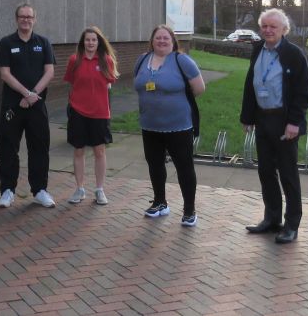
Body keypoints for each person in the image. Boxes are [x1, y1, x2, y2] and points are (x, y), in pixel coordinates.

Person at [240, 8, 308, 244]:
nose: (268, 30)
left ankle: (291, 224)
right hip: (263, 119)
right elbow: (251, 84)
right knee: (265, 172)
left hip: (285, 122)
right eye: (265, 26)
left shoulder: (294, 54)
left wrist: (294, 122)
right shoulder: (257, 50)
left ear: (284, 30)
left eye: (273, 26)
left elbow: (305, 92)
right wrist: (248, 116)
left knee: (288, 174)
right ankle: (272, 219)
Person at [133, 25, 205, 226]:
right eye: (158, 38)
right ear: (152, 40)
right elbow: (138, 85)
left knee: (184, 168)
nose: (162, 41)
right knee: (155, 165)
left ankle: (189, 210)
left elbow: (199, 88)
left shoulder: (182, 61)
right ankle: (160, 202)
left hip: (178, 126)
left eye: (166, 38)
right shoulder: (142, 60)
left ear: (173, 41)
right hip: (150, 125)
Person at [0, 3, 56, 208]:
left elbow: (49, 72)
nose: (26, 20)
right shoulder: (6, 43)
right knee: (8, 148)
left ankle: (40, 190)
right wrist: (25, 93)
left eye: (29, 17)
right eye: (22, 16)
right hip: (12, 106)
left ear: (34, 19)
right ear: (16, 19)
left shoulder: (44, 42)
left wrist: (33, 95)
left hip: (37, 106)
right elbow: (5, 74)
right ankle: (7, 190)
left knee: (39, 147)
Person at [64, 26, 119, 206]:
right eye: (87, 40)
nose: (90, 43)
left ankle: (99, 189)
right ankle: (80, 189)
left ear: (98, 42)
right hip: (78, 112)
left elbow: (109, 83)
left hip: (99, 113)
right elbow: (72, 84)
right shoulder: (74, 60)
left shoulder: (106, 61)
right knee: (78, 150)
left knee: (99, 151)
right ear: (83, 42)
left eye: (94, 40)